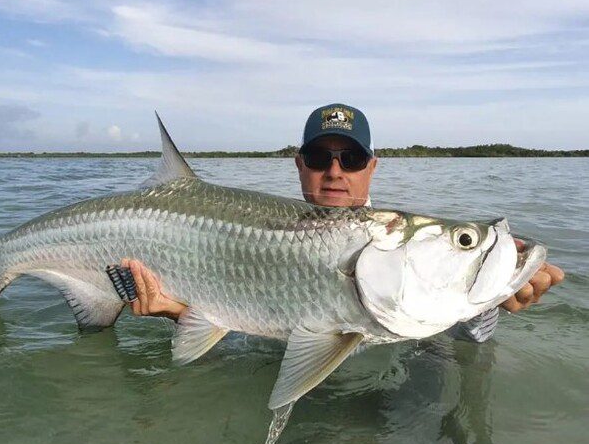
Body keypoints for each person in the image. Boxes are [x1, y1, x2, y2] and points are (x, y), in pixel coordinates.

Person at [119, 104, 564, 342]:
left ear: (371, 167)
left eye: (350, 159)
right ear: (299, 165)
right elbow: (244, 342)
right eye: (319, 157)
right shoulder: (259, 231)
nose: (334, 171)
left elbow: (454, 341)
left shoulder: (400, 244)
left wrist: (488, 306)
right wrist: (179, 315)